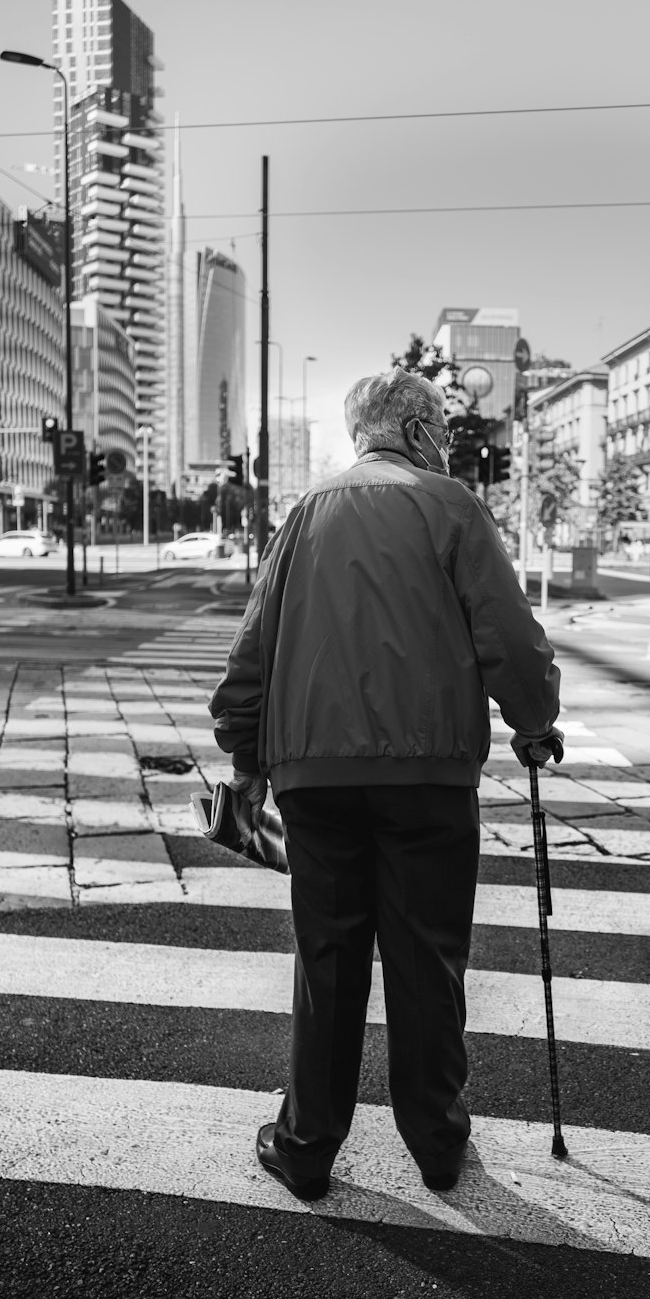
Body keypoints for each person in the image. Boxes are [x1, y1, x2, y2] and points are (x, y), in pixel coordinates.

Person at [209, 367, 563, 1201]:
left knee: (327, 960)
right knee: (426, 960)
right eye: (436, 424)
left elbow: (251, 652)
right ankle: (436, 1144)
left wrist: (245, 759)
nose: (443, 438)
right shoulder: (449, 506)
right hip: (427, 777)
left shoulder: (304, 515)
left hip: (315, 780)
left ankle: (305, 1148)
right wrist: (534, 718)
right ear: (408, 428)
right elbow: (507, 635)